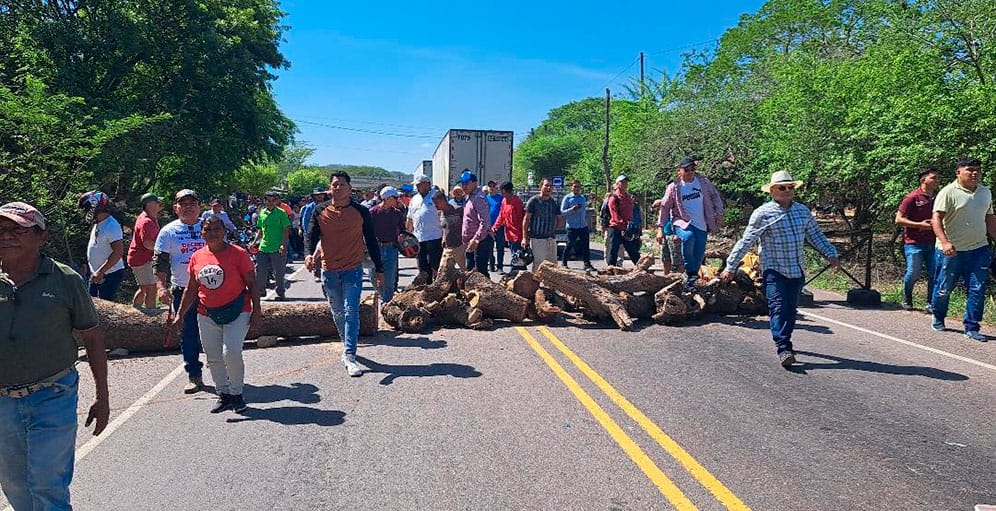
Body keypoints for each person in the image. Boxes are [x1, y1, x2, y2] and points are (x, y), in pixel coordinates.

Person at [0, 202, 109, 510]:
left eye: (18, 230)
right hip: (2, 400)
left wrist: (103, 396)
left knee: (46, 483)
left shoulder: (65, 280)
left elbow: (92, 336)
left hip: (53, 393)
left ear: (42, 237)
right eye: (1, 230)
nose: (7, 236)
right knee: (14, 484)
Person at [721, 171, 839, 367]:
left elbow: (815, 235)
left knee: (790, 310)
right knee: (777, 307)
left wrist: (831, 254)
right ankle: (783, 347)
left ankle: (785, 339)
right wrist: (731, 266)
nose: (787, 191)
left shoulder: (802, 211)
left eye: (790, 187)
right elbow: (746, 241)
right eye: (782, 188)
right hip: (773, 269)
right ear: (772, 190)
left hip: (796, 269)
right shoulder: (763, 213)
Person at [173, 216, 261, 413]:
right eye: (208, 229)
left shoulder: (238, 254)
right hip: (206, 313)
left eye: (216, 228)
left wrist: (257, 312)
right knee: (213, 356)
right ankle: (224, 394)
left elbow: (252, 284)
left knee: (231, 352)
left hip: (238, 310)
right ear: (202, 233)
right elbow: (191, 288)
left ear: (224, 231)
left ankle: (237, 394)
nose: (212, 232)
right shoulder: (197, 257)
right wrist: (180, 314)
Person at [305, 171, 384, 377]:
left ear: (350, 189)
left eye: (341, 185)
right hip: (329, 270)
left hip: (353, 270)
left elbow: (372, 241)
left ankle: (350, 355)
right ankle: (346, 343)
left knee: (351, 311)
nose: (337, 188)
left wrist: (379, 268)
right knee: (338, 313)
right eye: (334, 185)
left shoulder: (360, 211)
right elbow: (311, 235)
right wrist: (308, 255)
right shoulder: (319, 210)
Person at [930, 158, 996, 341]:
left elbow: (989, 219)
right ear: (958, 172)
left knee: (977, 287)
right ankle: (938, 315)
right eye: (970, 170)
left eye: (977, 170)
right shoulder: (948, 192)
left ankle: (972, 326)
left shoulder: (985, 192)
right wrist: (944, 242)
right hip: (951, 251)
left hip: (979, 249)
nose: (975, 173)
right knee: (944, 288)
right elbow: (936, 219)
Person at [154, 189, 208, 393]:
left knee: (218, 331)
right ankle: (194, 375)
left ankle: (223, 372)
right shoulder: (168, 231)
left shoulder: (210, 226)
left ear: (199, 206)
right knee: (188, 333)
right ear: (175, 208)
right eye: (182, 203)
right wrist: (161, 287)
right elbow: (160, 262)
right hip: (182, 290)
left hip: (212, 288)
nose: (187, 207)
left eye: (192, 203)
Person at [659, 157, 725, 289]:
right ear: (679, 171)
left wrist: (719, 212)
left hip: (702, 224)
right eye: (687, 170)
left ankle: (691, 280)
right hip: (682, 222)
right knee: (688, 237)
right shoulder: (674, 187)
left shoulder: (703, 183)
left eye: (692, 169)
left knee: (699, 254)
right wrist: (660, 228)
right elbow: (665, 207)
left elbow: (715, 196)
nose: (690, 172)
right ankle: (689, 272)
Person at [895, 167, 940, 312]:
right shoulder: (912, 197)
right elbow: (899, 219)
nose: (937, 181)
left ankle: (931, 303)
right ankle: (907, 297)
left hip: (934, 243)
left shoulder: (939, 197)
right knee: (913, 272)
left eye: (937, 178)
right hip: (914, 243)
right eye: (933, 178)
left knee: (935, 273)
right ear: (923, 180)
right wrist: (919, 225)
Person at [79, 191, 126, 300]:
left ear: (95, 207)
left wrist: (101, 272)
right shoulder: (98, 224)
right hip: (96, 274)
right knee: (92, 305)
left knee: (104, 309)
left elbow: (118, 252)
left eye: (86, 209)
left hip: (109, 275)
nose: (84, 212)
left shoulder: (111, 225)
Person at [252, 190, 291, 301]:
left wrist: (283, 244)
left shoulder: (281, 213)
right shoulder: (262, 213)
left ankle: (280, 293)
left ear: (276, 201)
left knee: (278, 272)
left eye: (272, 200)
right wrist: (254, 243)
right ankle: (261, 291)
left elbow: (286, 230)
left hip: (277, 247)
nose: (269, 203)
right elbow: (261, 230)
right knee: (260, 271)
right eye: (267, 200)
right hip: (263, 247)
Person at [369, 186, 406, 302]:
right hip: (375, 249)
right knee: (374, 278)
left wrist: (402, 235)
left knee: (389, 279)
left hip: (391, 248)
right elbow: (365, 230)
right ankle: (383, 296)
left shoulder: (397, 213)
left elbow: (402, 229)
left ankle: (386, 303)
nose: (397, 200)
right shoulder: (372, 212)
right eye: (395, 198)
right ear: (387, 198)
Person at [128, 193, 163, 310]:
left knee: (144, 287)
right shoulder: (146, 222)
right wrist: (164, 249)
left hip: (141, 259)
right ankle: (150, 315)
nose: (160, 204)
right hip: (141, 260)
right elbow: (148, 244)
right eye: (157, 202)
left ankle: (136, 309)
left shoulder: (150, 218)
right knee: (151, 288)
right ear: (149, 205)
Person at [406, 174, 444, 281]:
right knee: (422, 266)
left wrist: (445, 235)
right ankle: (426, 288)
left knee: (435, 266)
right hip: (419, 238)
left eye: (419, 185)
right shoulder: (414, 199)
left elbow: (444, 215)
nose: (417, 187)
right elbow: (410, 218)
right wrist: (407, 235)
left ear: (427, 184)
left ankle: (437, 287)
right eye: (416, 185)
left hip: (435, 237)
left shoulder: (437, 196)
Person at [460, 170, 494, 276]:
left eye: (466, 183)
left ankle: (486, 293)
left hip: (481, 241)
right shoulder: (469, 197)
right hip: (470, 242)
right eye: (462, 184)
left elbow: (485, 222)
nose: (464, 186)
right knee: (470, 272)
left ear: (475, 183)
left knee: (480, 274)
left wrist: (476, 239)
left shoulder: (479, 198)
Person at [522, 178, 560, 271]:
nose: (549, 188)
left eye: (551, 186)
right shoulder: (534, 201)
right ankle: (535, 284)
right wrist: (524, 237)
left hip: (551, 238)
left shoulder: (553, 202)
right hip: (537, 239)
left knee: (552, 264)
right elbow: (526, 220)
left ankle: (550, 285)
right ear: (541, 187)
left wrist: (554, 228)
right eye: (546, 185)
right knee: (539, 264)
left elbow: (559, 217)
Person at [606, 176, 642, 267]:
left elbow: (630, 213)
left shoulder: (628, 197)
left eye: (626, 182)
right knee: (613, 251)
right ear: (617, 184)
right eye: (623, 182)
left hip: (627, 229)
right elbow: (615, 215)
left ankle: (642, 270)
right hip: (616, 228)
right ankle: (610, 271)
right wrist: (625, 224)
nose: (625, 184)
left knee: (633, 251)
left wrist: (632, 225)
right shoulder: (614, 198)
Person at [561, 180, 594, 271]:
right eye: (575, 186)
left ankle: (587, 264)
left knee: (585, 246)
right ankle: (564, 263)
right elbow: (562, 212)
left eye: (578, 187)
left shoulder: (582, 198)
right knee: (570, 244)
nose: (577, 188)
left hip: (583, 225)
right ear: (571, 187)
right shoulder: (567, 198)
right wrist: (572, 209)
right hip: (572, 226)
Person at [494, 181, 525, 264]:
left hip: (517, 235)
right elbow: (501, 215)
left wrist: (523, 236)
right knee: (514, 256)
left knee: (517, 257)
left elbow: (521, 219)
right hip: (509, 234)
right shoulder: (504, 201)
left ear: (505, 191)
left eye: (502, 191)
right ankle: (515, 272)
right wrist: (495, 227)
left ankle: (516, 273)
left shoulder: (517, 201)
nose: (501, 194)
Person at [301, 187, 326, 282]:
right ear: (314, 196)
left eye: (321, 194)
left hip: (326, 233)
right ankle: (317, 273)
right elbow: (305, 220)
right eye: (317, 195)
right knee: (316, 253)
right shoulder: (310, 207)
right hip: (314, 234)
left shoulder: (328, 205)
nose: (319, 196)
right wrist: (308, 233)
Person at [439, 189, 467, 270]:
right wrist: (443, 238)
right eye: (455, 192)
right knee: (444, 270)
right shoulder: (448, 205)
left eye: (459, 192)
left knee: (464, 270)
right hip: (448, 244)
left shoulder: (461, 207)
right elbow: (444, 226)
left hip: (459, 243)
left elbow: (466, 223)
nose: (457, 193)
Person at [486, 181, 506, 273]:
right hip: (488, 226)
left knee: (500, 247)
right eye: (489, 186)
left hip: (499, 226)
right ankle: (491, 264)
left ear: (496, 188)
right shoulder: (485, 198)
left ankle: (500, 266)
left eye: (493, 186)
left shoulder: (501, 198)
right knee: (489, 247)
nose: (491, 187)